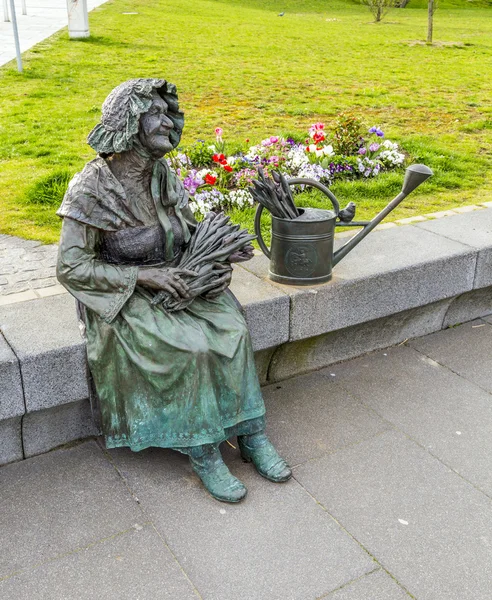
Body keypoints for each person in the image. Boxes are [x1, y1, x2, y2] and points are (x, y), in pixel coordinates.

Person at [56, 78, 291, 503]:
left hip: (175, 273)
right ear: (130, 123)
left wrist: (216, 255)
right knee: (189, 348)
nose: (169, 122)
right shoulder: (91, 187)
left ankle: (251, 433)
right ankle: (203, 451)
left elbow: (184, 230)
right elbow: (71, 266)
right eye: (156, 114)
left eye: (169, 113)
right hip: (120, 290)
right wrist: (143, 279)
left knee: (231, 328)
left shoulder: (160, 174)